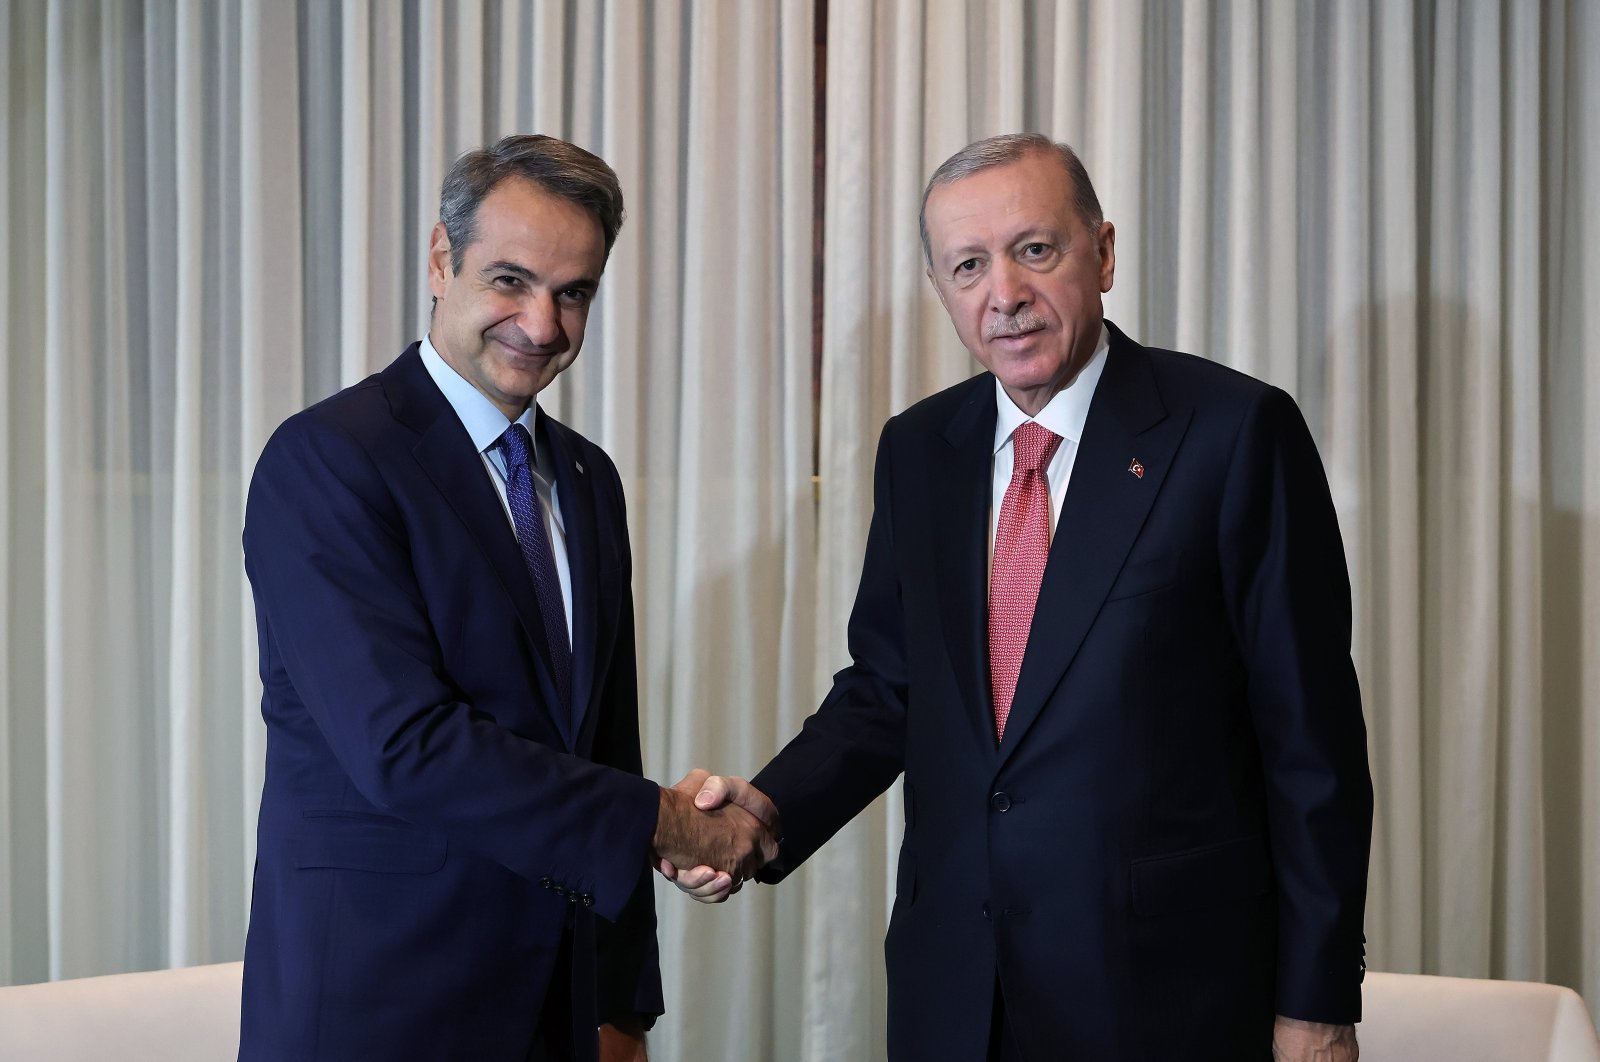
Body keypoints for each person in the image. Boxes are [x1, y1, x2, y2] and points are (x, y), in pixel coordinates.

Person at [665, 134, 1373, 1061]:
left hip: (1168, 995)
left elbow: (1311, 742)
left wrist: (1317, 1005)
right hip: (956, 992)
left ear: (1104, 252)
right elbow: (888, 689)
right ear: (943, 291)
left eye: (1035, 249)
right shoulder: (920, 450)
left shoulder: (1234, 433)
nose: (1004, 292)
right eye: (969, 265)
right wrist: (764, 811)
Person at [239, 134, 775, 1062]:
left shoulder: (587, 479)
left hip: (557, 1011)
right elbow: (406, 746)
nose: (541, 322)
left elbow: (605, 740)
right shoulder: (328, 459)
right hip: (379, 1005)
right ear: (442, 262)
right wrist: (668, 821)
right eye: (510, 280)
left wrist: (622, 1005)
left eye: (574, 293)